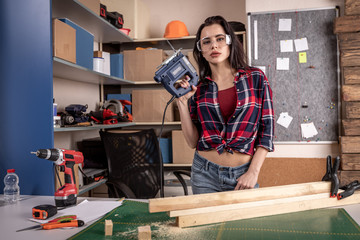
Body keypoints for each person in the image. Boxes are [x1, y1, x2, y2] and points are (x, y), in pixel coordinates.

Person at [176, 15, 275, 194]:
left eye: (220, 39)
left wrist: (253, 172)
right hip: (204, 173)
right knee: (206, 222)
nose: (214, 45)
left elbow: (267, 131)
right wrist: (182, 103)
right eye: (206, 42)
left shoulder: (256, 78)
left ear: (230, 42)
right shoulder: (198, 87)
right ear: (201, 51)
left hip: (242, 175)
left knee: (244, 223)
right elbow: (192, 141)